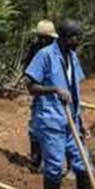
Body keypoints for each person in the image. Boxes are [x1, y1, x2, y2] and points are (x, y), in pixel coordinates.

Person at [25, 19, 95, 189]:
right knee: (54, 165)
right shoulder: (45, 56)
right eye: (76, 37)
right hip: (51, 120)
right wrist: (54, 89)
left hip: (72, 121)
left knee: (83, 162)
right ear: (66, 38)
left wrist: (82, 122)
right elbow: (31, 86)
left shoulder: (73, 57)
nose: (78, 41)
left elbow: (75, 93)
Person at [24, 20, 58, 171]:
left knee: (60, 130)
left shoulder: (58, 51)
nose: (42, 40)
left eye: (46, 38)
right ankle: (36, 160)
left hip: (57, 94)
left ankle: (67, 166)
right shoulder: (35, 48)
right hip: (40, 91)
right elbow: (28, 69)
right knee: (36, 128)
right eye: (40, 37)